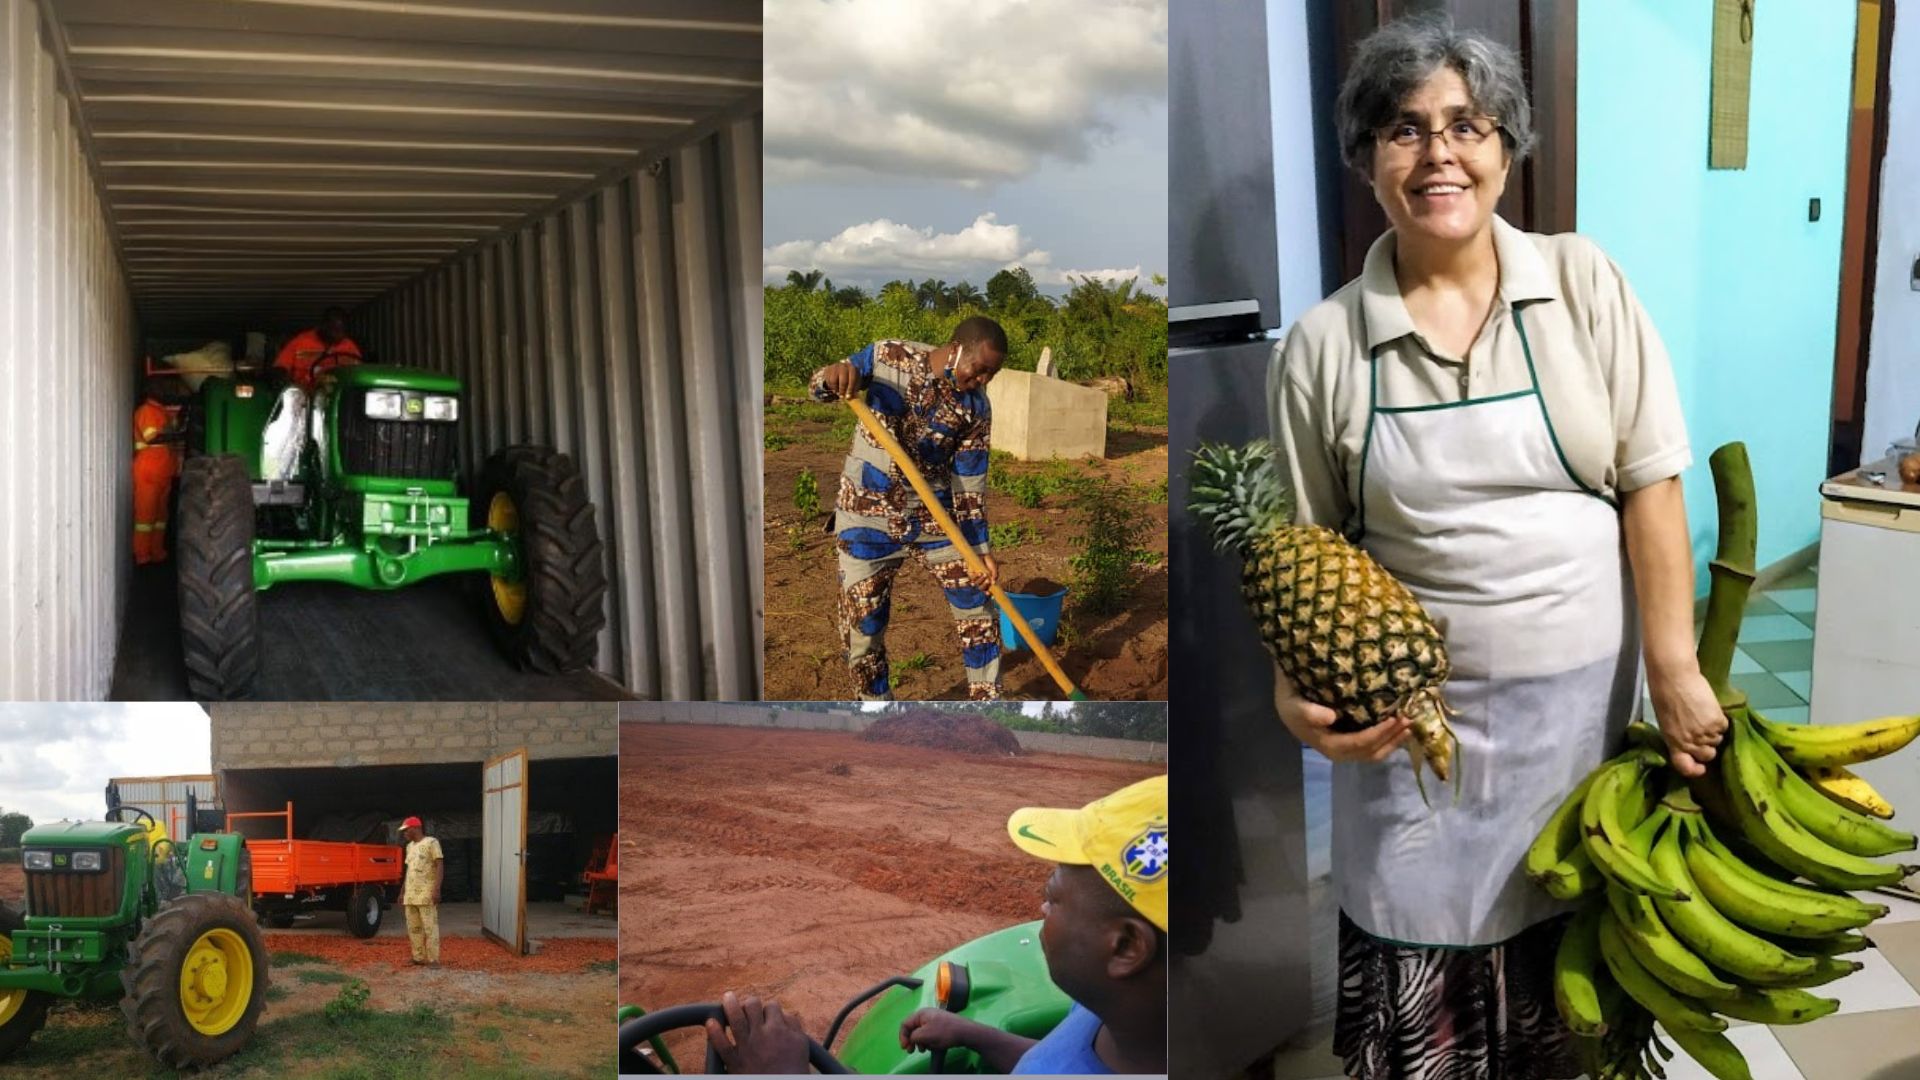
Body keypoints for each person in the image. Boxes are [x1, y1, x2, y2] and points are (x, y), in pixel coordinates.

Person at [1264, 16, 1724, 1079]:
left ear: (1506, 148)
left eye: (1466, 125)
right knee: (1429, 975)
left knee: (1577, 973)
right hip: (1413, 745)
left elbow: (1651, 484)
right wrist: (1295, 696)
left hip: (1579, 731)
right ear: (1366, 157)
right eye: (1404, 129)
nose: (1438, 155)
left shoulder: (1581, 284)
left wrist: (1677, 669)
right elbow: (1300, 552)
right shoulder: (1326, 344)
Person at [705, 775, 1168, 1076]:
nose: (1041, 911)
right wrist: (976, 1035)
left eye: (1053, 898)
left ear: (1125, 947)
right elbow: (1054, 1062)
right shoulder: (1123, 1018)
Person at [809, 316, 1009, 701]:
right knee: (862, 626)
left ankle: (987, 704)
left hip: (934, 521)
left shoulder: (976, 409)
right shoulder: (887, 358)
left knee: (979, 608)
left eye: (992, 374)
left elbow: (968, 487)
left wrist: (980, 551)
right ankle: (877, 710)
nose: (983, 380)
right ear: (955, 350)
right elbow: (820, 388)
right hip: (864, 518)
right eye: (981, 369)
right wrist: (831, 377)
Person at [130, 389, 177, 565]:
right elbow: (152, 438)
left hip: (162, 471)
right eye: (164, 386)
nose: (169, 389)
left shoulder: (161, 412)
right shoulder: (147, 411)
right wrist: (174, 432)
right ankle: (142, 554)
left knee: (160, 517)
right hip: (149, 470)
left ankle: (156, 551)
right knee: (145, 516)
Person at [274, 305, 363, 392]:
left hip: (339, 394)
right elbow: (281, 367)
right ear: (323, 325)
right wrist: (281, 379)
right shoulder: (300, 342)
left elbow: (359, 372)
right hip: (306, 394)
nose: (338, 336)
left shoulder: (350, 346)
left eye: (341, 331)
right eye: (334, 330)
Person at [399, 816, 442, 967]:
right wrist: (402, 891)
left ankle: (433, 960)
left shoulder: (431, 842)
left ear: (416, 828)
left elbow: (439, 866)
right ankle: (418, 957)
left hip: (426, 893)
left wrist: (436, 889)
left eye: (406, 830)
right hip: (410, 894)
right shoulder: (409, 847)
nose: (404, 833)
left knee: (430, 927)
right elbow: (409, 870)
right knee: (413, 928)